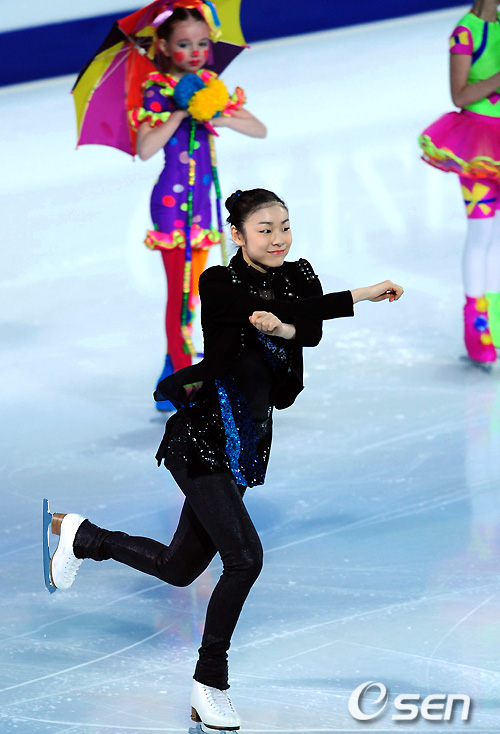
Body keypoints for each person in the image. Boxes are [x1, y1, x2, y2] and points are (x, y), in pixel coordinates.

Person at [46, 189, 403, 732]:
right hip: (202, 438)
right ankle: (209, 683)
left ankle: (83, 536)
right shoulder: (217, 282)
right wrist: (361, 294)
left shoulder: (299, 276)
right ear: (237, 234)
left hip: (246, 442)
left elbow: (306, 328)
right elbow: (286, 315)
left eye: (285, 226)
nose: (279, 238)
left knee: (178, 568)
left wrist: (282, 329)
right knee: (245, 559)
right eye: (265, 229)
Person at [129, 2, 266, 409]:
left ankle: (172, 370)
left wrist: (218, 116)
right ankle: (183, 382)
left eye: (202, 43)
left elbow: (259, 129)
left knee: (197, 293)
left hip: (203, 207)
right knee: (180, 295)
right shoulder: (157, 89)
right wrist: (179, 112)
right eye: (184, 44)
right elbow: (144, 149)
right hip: (172, 207)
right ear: (164, 47)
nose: (195, 51)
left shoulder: (209, 84)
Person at [419, 0, 500, 366]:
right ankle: (477, 325)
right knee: (482, 234)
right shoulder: (465, 32)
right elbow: (460, 95)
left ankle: (495, 318)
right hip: (478, 146)